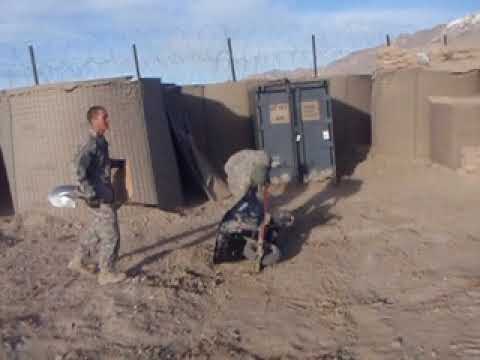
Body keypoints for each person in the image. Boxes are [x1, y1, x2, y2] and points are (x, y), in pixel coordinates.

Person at [68, 105, 126, 285]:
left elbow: (100, 164)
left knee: (96, 230)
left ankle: (78, 260)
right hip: (98, 196)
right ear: (94, 120)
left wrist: (118, 163)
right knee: (111, 235)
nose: (108, 121)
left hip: (101, 193)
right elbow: (76, 168)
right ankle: (106, 273)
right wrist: (90, 192)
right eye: (105, 118)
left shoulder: (100, 141)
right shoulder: (91, 143)